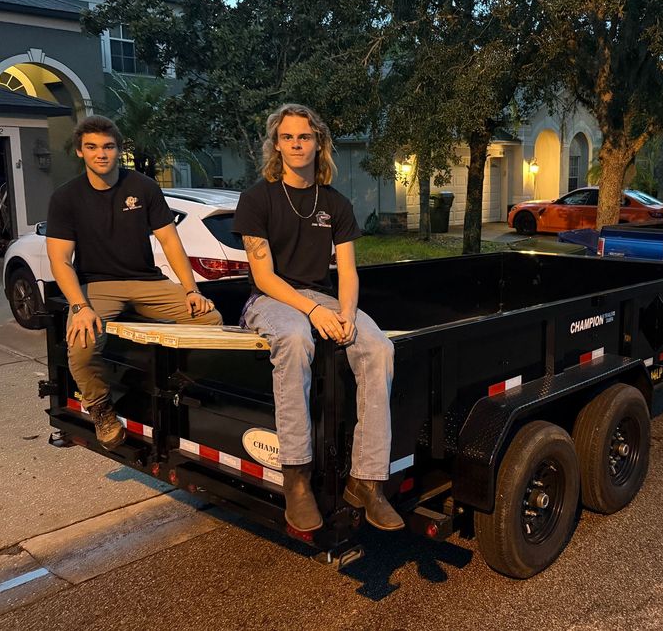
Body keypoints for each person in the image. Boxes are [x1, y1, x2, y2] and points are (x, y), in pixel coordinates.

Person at [233, 103, 403, 533]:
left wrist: (346, 315)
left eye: (304, 137)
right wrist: (310, 310)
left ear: (318, 143)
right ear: (276, 144)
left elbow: (347, 272)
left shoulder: (335, 203)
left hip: (320, 296)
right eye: (287, 137)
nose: (296, 144)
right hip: (270, 298)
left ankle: (366, 481)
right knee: (294, 339)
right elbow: (264, 276)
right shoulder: (258, 198)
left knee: (379, 347)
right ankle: (297, 478)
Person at [46, 115, 221, 450]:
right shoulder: (65, 198)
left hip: (146, 281)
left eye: (108, 146)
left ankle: (177, 382)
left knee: (211, 322)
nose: (101, 154)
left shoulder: (143, 187)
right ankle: (100, 407)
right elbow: (60, 260)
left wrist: (190, 289)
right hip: (97, 287)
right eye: (92, 147)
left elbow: (170, 242)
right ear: (80, 152)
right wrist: (79, 306)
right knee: (81, 348)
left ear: (118, 149)